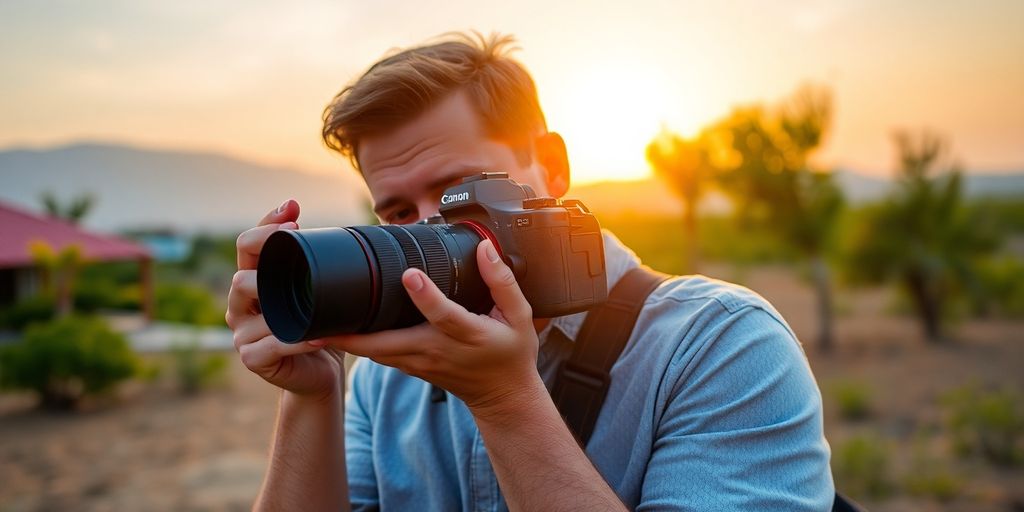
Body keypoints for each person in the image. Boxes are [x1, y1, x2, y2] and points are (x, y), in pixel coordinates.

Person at [226, 32, 835, 511]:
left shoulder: (720, 346)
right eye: (399, 213)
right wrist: (312, 393)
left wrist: (504, 400)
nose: (428, 229)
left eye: (457, 191)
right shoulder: (383, 387)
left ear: (552, 165)